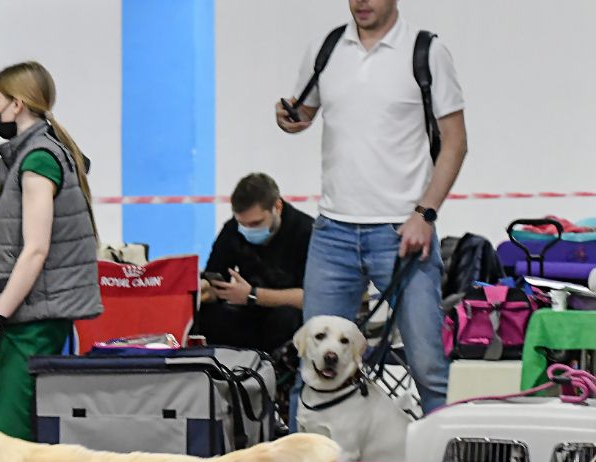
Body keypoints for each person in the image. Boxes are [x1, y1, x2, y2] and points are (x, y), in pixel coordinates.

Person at [277, 0, 467, 412]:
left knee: (428, 367)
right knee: (309, 372)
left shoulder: (426, 51)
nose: (362, 2)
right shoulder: (326, 47)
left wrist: (425, 214)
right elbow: (304, 112)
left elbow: (455, 142)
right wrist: (290, 118)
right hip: (332, 234)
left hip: (402, 232)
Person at [0, 61, 101, 442]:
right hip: (33, 316)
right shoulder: (43, 152)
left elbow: (35, 251)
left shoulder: (38, 160)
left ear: (18, 105)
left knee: (12, 441)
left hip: (32, 321)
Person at [196, 173, 311, 354]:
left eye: (256, 223)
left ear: (278, 207)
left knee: (285, 318)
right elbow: (215, 277)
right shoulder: (233, 229)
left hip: (289, 317)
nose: (248, 229)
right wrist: (203, 290)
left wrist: (253, 295)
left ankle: (279, 376)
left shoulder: (306, 232)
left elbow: (311, 297)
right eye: (243, 224)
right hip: (248, 312)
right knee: (207, 316)